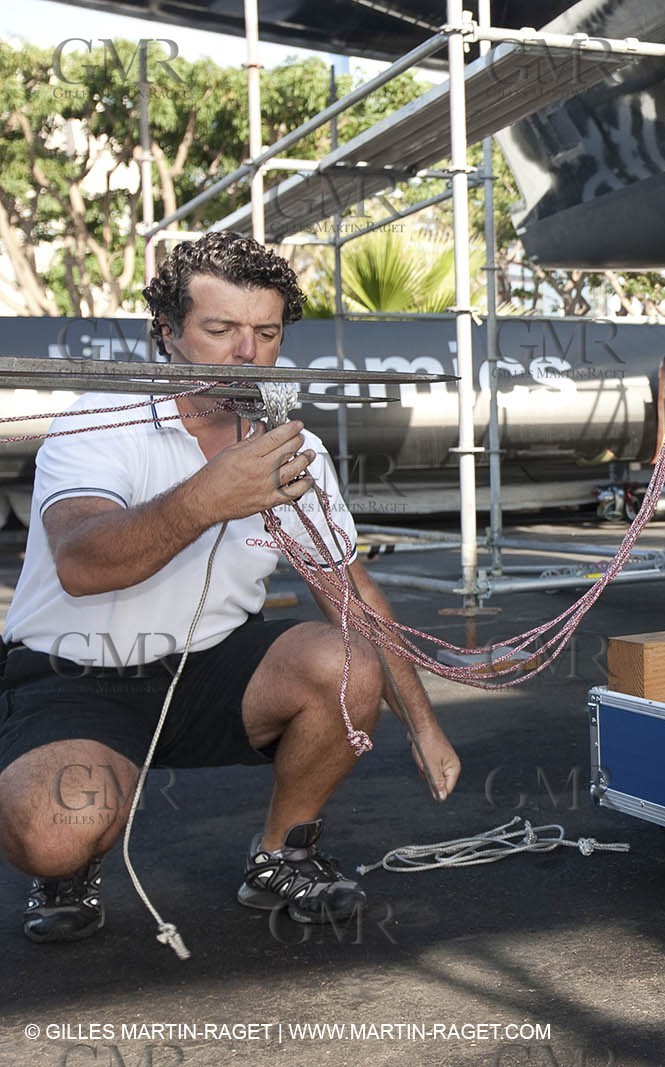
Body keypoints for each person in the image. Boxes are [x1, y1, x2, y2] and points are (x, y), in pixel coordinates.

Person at [0, 231, 461, 944]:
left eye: (266, 333)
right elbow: (82, 563)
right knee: (53, 834)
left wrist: (426, 728)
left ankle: (281, 854)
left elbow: (351, 592)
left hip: (210, 669)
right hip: (75, 675)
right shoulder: (98, 417)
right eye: (220, 329)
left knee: (344, 660)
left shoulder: (292, 449)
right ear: (168, 333)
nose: (246, 354)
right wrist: (211, 495)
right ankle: (67, 866)